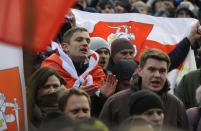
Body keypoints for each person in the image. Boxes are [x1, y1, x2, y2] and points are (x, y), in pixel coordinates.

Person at [99, 48, 189, 130]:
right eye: (152, 69)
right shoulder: (116, 102)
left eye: (162, 71)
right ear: (140, 70)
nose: (157, 75)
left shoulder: (176, 105)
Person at [41, 27, 117, 98]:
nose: (85, 44)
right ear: (65, 47)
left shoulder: (96, 70)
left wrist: (103, 96)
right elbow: (46, 100)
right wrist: (76, 95)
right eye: (79, 40)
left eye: (88, 41)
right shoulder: (50, 67)